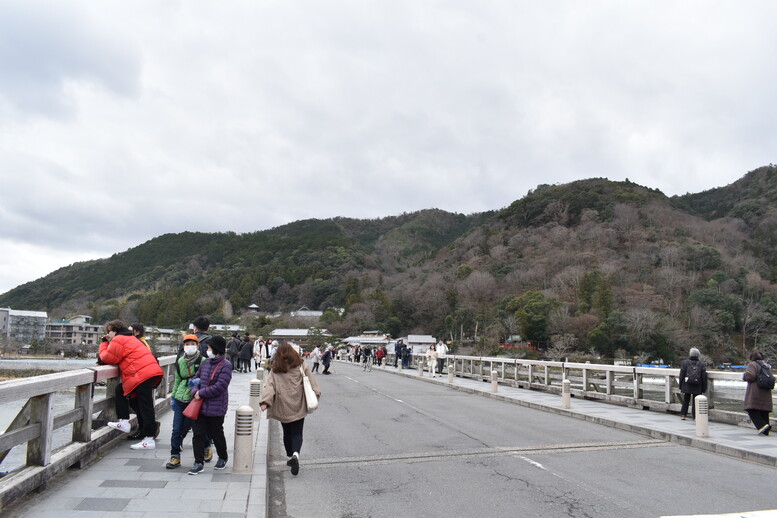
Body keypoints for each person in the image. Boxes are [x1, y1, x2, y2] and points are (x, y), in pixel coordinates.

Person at [100, 319, 164, 450]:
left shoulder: (119, 339)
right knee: (121, 391)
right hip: (148, 372)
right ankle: (124, 421)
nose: (108, 335)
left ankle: (148, 439)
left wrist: (104, 344)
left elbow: (108, 358)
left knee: (145, 407)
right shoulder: (130, 338)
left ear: (114, 331)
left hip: (142, 374)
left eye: (109, 332)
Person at [259, 342, 321, 476]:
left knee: (286, 432)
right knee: (297, 432)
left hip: (283, 405)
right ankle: (295, 455)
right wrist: (315, 396)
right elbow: (311, 381)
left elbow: (270, 386)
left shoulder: (275, 369)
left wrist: (265, 402)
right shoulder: (301, 365)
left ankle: (289, 456)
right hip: (299, 403)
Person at [188, 335, 233, 475]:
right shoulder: (206, 363)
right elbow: (196, 379)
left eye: (209, 348)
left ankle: (223, 457)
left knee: (216, 433)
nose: (207, 350)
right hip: (200, 406)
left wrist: (201, 393)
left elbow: (220, 387)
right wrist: (195, 391)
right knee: (198, 434)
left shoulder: (226, 365)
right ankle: (198, 462)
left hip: (216, 406)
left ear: (217, 349)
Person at [166, 334, 204, 469]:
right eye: (187, 344)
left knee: (197, 429)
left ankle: (201, 454)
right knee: (176, 429)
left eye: (192, 344)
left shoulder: (203, 360)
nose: (189, 347)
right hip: (180, 397)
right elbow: (177, 379)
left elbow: (206, 380)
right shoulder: (181, 361)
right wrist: (173, 396)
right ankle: (175, 456)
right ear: (183, 346)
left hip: (195, 398)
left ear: (197, 345)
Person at [191, 316, 215, 462]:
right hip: (208, 382)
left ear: (195, 327)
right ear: (208, 327)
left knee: (192, 414)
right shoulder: (211, 342)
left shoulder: (189, 341)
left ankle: (179, 447)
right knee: (206, 413)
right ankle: (207, 441)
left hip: (190, 383)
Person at [743, 350, 773, 435]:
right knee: (763, 410)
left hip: (755, 391)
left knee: (751, 409)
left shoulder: (752, 365)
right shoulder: (766, 366)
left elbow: (750, 376)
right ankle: (766, 429)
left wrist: (744, 376)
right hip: (766, 392)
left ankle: (763, 427)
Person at [678, 347, 707, 420]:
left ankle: (683, 415)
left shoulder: (685, 363)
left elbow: (681, 375)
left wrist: (681, 385)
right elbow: (704, 377)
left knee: (686, 400)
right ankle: (695, 417)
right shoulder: (702, 364)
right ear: (698, 355)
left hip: (687, 384)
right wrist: (704, 388)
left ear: (690, 354)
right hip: (697, 385)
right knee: (696, 401)